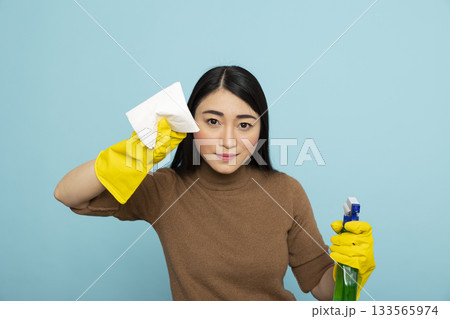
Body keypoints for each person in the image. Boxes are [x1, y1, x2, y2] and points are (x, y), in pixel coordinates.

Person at [54, 65, 374, 301]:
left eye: (244, 124)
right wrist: (139, 152)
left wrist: (350, 271)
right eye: (212, 121)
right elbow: (69, 194)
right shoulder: (166, 189)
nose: (228, 140)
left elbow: (324, 291)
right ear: (190, 126)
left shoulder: (286, 191)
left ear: (260, 131)